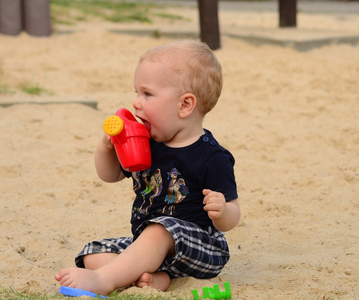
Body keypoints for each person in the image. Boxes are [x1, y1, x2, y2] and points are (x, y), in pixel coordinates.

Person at [55, 40, 241, 296]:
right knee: (92, 253)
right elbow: (109, 175)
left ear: (185, 105)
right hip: (151, 246)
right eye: (136, 93)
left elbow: (232, 216)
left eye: (147, 94)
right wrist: (106, 148)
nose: (136, 104)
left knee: (161, 229)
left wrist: (222, 211)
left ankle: (103, 281)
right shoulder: (146, 142)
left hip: (200, 246)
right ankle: (155, 278)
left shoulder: (211, 156)